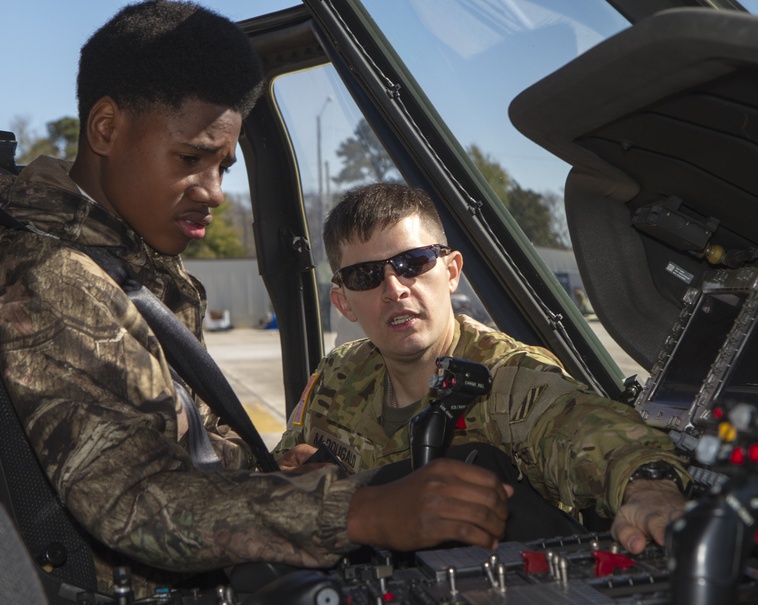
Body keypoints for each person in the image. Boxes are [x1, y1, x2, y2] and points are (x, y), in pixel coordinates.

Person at [0, 1, 510, 597]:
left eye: (223, 166)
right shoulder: (55, 277)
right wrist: (358, 513)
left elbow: (181, 434)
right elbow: (132, 498)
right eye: (190, 159)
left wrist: (278, 479)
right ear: (106, 129)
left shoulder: (128, 266)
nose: (215, 192)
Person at [276, 183, 690, 554]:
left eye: (413, 263)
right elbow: (285, 462)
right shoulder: (336, 375)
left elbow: (586, 429)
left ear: (451, 271)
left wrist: (650, 488)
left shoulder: (507, 378)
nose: (395, 289)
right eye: (366, 275)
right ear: (344, 303)